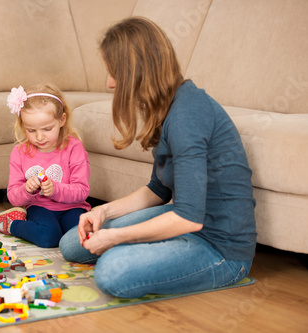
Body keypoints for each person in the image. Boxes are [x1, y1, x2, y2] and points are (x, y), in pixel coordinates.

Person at [59, 17, 257, 298]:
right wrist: (103, 211)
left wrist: (116, 237)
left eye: (114, 72)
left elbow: (188, 219)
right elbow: (158, 189)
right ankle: (152, 249)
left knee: (112, 271)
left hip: (221, 248)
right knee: (73, 244)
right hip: (189, 221)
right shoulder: (168, 105)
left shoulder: (187, 114)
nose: (110, 83)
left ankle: (151, 253)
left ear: (136, 71)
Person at [0, 84, 91, 248]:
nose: (39, 137)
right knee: (48, 237)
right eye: (31, 130)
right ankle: (11, 224)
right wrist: (27, 189)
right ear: (23, 126)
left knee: (81, 239)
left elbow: (82, 191)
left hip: (73, 207)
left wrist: (55, 189)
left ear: (62, 120)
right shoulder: (19, 152)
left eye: (47, 129)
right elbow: (13, 197)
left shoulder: (74, 147)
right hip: (40, 207)